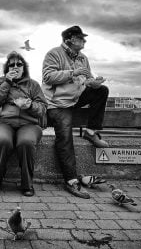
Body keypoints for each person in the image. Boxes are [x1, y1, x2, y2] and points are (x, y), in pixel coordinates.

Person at [42, 25, 109, 199]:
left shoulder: (82, 57)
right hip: (57, 103)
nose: (84, 41)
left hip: (76, 98)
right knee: (65, 135)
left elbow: (87, 79)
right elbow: (48, 77)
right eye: (81, 38)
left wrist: (94, 83)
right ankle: (71, 180)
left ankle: (91, 131)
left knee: (102, 91)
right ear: (69, 39)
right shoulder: (54, 53)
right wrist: (73, 72)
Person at [0, 51, 47, 197]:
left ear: (24, 67)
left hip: (29, 124)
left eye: (19, 64)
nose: (15, 67)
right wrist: (7, 83)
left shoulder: (33, 85)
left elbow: (42, 108)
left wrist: (30, 106)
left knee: (26, 142)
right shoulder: (0, 81)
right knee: (2, 141)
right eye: (11, 64)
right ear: (7, 68)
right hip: (4, 122)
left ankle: (27, 184)